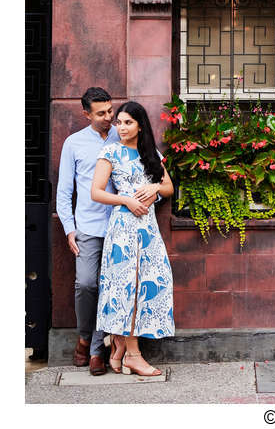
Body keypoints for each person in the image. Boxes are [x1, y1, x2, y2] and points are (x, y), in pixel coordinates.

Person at [56, 86, 155, 376]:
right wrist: (69, 229)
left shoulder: (125, 133)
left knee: (114, 289)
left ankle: (97, 351)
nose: (109, 118)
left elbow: (154, 171)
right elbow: (65, 192)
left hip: (124, 228)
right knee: (87, 284)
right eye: (101, 113)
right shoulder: (73, 144)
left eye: (110, 111)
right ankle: (85, 337)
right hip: (88, 226)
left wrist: (150, 195)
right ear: (85, 113)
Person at [91, 101, 175, 376]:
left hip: (148, 228)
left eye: (128, 122)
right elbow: (97, 192)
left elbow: (169, 188)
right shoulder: (110, 152)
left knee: (148, 283)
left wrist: (154, 187)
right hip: (123, 228)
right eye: (119, 122)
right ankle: (133, 356)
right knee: (125, 286)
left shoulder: (151, 154)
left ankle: (118, 348)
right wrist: (126, 199)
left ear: (140, 125)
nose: (122, 127)